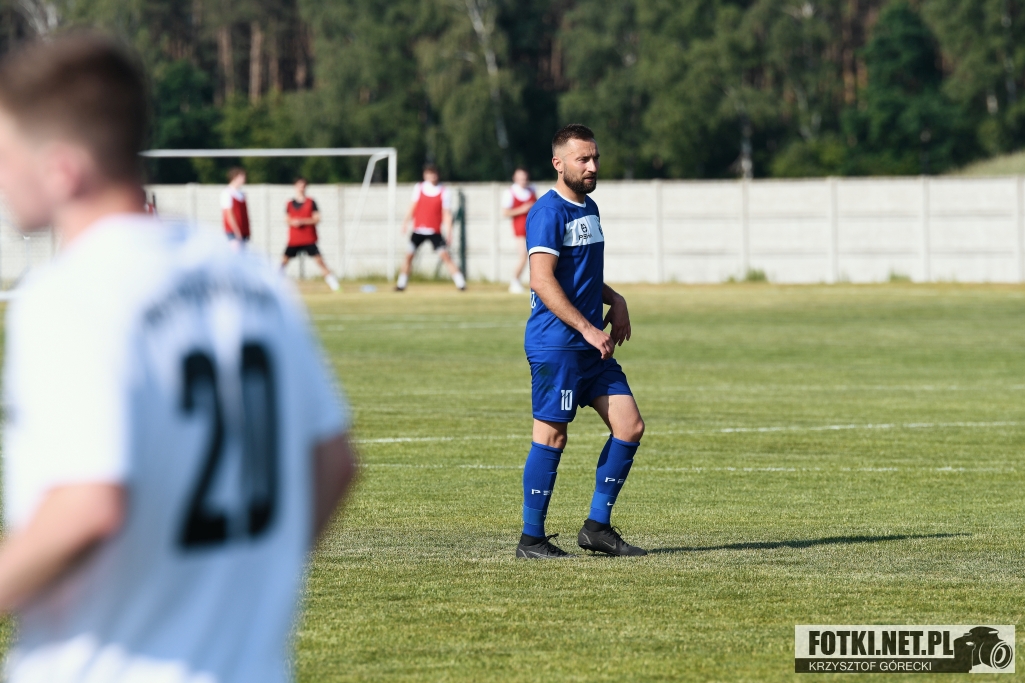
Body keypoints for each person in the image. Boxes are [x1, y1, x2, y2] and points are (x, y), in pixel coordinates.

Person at [0, 33, 358, 682]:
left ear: (62, 169)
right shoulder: (252, 279)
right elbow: (333, 463)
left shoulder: (71, 292)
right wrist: (231, 591)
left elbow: (87, 504)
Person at [516, 123, 646, 559]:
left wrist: (616, 299)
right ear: (559, 163)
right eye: (582, 159)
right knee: (552, 437)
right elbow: (542, 280)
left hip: (591, 348)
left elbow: (583, 276)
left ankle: (596, 528)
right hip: (558, 344)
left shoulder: (589, 208)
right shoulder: (547, 213)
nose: (592, 166)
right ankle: (531, 539)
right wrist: (589, 329)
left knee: (629, 426)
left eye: (595, 158)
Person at [396, 163, 466, 291]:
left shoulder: (444, 191)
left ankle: (461, 284)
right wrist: (405, 222)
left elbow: (446, 213)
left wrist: (449, 232)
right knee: (409, 256)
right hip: (418, 230)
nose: (432, 176)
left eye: (434, 173)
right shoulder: (419, 188)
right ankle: (401, 284)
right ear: (425, 175)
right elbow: (412, 206)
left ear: (437, 175)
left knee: (446, 256)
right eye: (429, 173)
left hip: (434, 231)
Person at [281, 176, 340, 291]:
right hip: (294, 239)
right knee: (283, 263)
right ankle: (273, 284)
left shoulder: (311, 202)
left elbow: (317, 218)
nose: (301, 188)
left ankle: (334, 285)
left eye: (303, 186)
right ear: (295, 187)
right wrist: (293, 222)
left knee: (320, 262)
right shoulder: (289, 203)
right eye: (299, 186)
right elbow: (286, 219)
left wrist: (303, 221)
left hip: (308, 238)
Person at [502, 167, 537, 294]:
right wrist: (523, 209)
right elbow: (505, 212)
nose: (523, 180)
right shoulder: (510, 192)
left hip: (533, 227)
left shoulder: (532, 189)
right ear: (515, 178)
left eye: (525, 177)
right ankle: (514, 280)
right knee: (523, 255)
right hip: (520, 228)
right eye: (521, 177)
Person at [221, 166, 250, 243]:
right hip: (233, 232)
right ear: (235, 177)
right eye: (241, 176)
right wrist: (236, 231)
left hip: (243, 231)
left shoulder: (241, 193)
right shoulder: (227, 193)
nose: (244, 178)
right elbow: (229, 214)